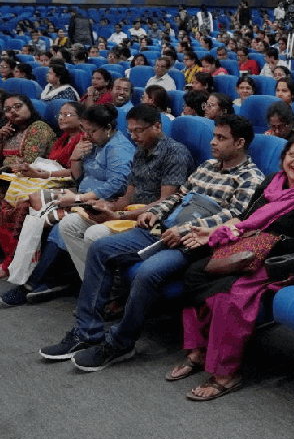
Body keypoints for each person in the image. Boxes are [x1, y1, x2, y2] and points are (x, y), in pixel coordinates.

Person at [39, 114, 265, 370]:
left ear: (240, 143)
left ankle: (121, 343)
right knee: (101, 248)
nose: (213, 142)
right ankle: (86, 332)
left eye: (221, 138)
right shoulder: (207, 166)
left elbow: (234, 217)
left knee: (147, 272)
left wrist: (186, 228)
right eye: (213, 135)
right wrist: (154, 212)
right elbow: (179, 196)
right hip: (163, 227)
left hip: (194, 240)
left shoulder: (250, 177)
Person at [171, 132, 294, 400]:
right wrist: (215, 231)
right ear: (283, 157)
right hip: (247, 251)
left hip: (282, 261)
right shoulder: (270, 183)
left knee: (231, 295)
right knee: (195, 273)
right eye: (293, 155)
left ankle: (226, 374)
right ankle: (199, 350)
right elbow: (245, 218)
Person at [1, 103, 135, 306]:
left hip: (104, 201)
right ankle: (25, 268)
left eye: (91, 131)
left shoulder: (119, 148)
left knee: (52, 222)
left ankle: (32, 282)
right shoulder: (95, 143)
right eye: (85, 130)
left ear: (107, 128)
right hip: (81, 193)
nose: (87, 135)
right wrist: (75, 157)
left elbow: (117, 185)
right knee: (31, 201)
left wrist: (77, 199)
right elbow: (78, 176)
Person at [58, 104, 194, 279]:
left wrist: (119, 216)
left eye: (138, 131)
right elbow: (128, 197)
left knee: (95, 235)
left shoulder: (175, 153)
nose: (133, 136)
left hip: (156, 223)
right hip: (130, 213)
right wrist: (107, 206)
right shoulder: (140, 151)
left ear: (157, 127)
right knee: (69, 223)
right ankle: (95, 284)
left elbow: (165, 202)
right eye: (130, 131)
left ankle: (109, 288)